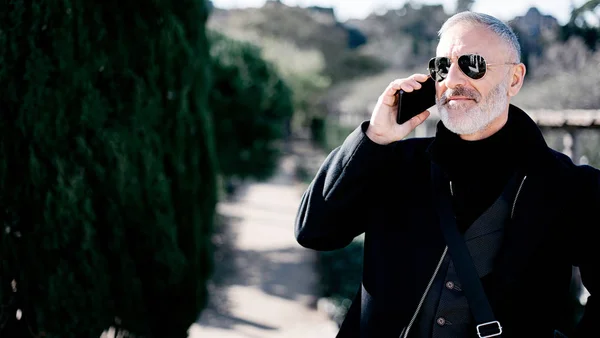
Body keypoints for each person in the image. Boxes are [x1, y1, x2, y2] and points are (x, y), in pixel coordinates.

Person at [294, 11, 597, 338]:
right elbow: (315, 232)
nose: (452, 80)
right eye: (441, 67)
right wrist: (373, 139)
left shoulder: (570, 188)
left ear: (514, 79)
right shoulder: (394, 162)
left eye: (472, 63)